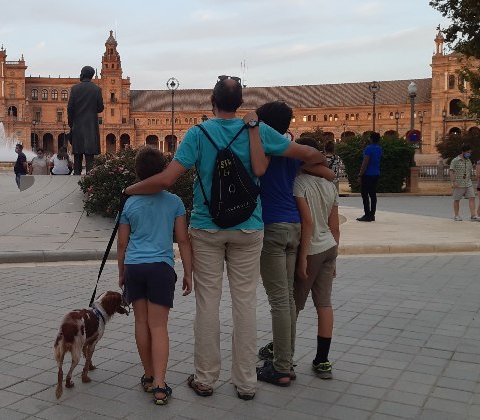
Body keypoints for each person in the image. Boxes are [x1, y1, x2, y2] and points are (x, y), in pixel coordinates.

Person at [123, 76, 328, 400]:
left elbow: (165, 179)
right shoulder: (257, 131)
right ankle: (246, 383)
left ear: (212, 103)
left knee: (208, 304)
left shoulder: (198, 134)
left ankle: (205, 379)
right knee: (245, 304)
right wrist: (310, 165)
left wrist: (129, 189)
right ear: (240, 103)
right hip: (249, 228)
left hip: (207, 229)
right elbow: (309, 154)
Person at [253, 101, 335, 387]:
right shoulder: (293, 150)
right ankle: (284, 360)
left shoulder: (262, 149)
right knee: (287, 298)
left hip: (272, 226)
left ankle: (281, 367)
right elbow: (326, 169)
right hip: (295, 227)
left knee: (279, 300)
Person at [117, 147, 193, 406]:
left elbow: (122, 244)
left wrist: (121, 272)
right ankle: (161, 385)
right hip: (161, 267)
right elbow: (182, 239)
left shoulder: (129, 202)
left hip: (135, 267)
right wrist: (188, 272)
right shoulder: (175, 202)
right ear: (162, 171)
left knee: (141, 323)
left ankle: (148, 375)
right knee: (159, 326)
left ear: (138, 172)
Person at [292, 137, 341, 380]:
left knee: (294, 305)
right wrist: (335, 258)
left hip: (311, 250)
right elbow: (335, 226)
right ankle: (323, 360)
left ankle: (283, 351)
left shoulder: (299, 183)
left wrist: (302, 258)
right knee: (324, 304)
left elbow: (307, 222)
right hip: (329, 247)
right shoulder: (330, 186)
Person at [67, 65, 104, 175]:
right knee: (90, 157)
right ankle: (89, 183)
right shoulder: (97, 89)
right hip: (91, 127)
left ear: (83, 74)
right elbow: (100, 107)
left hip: (78, 126)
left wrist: (71, 123)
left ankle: (76, 180)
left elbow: (70, 108)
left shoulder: (75, 89)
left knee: (77, 156)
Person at [357, 132, 382, 222]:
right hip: (376, 173)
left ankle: (367, 214)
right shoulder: (379, 148)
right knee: (373, 194)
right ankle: (372, 214)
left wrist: (360, 174)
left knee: (364, 194)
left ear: (371, 139)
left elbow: (365, 162)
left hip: (368, 174)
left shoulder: (368, 149)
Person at [450, 145, 479, 221]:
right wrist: (454, 181)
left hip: (468, 183)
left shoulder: (469, 161)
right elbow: (451, 171)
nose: (469, 154)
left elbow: (470, 171)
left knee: (472, 197)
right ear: (463, 152)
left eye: (470, 152)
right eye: (467, 152)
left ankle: (473, 215)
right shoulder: (455, 160)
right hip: (459, 183)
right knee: (457, 199)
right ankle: (456, 215)